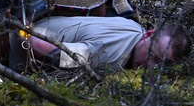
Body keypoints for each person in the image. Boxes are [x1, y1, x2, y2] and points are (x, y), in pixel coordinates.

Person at [28, 16, 191, 69]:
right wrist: (20, 33)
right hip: (15, 50)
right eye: (151, 55)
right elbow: (55, 53)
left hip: (42, 20)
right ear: (149, 34)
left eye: (157, 65)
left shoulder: (134, 27)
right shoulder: (112, 53)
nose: (149, 65)